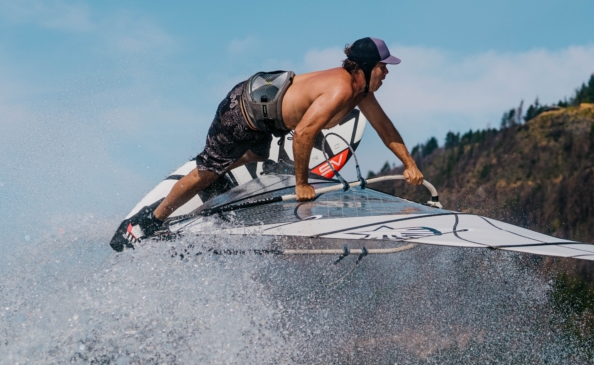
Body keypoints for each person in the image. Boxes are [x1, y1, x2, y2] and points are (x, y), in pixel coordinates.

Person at [124, 37, 423, 240]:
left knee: (257, 156)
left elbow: (385, 127)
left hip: (263, 119)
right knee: (207, 172)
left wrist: (409, 164)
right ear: (366, 68)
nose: (386, 72)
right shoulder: (341, 89)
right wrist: (302, 184)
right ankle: (150, 221)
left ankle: (221, 172)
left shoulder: (361, 92)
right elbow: (304, 134)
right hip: (240, 111)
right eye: (383, 66)